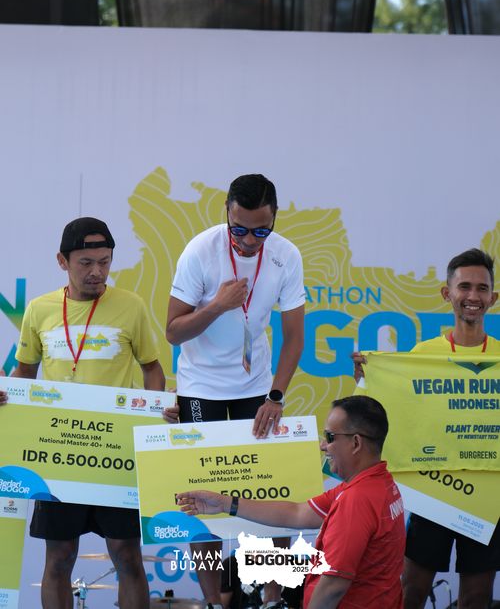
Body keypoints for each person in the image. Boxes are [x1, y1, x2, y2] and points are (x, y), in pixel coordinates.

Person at [0, 217, 169, 609]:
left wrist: (154, 417)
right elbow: (24, 372)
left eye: (105, 262)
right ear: (62, 261)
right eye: (86, 263)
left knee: (127, 555)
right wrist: (9, 397)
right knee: (59, 558)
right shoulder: (39, 310)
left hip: (116, 456)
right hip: (59, 455)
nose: (97, 272)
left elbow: (152, 369)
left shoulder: (131, 306)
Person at [166, 173, 305, 609]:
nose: (248, 241)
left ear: (274, 218)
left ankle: (271, 595)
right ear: (226, 213)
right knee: (200, 492)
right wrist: (217, 306)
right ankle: (213, 601)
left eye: (261, 231)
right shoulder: (200, 251)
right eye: (239, 229)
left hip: (255, 386)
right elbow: (173, 332)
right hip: (200, 387)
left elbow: (294, 338)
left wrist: (275, 396)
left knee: (268, 490)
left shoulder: (286, 256)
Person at [353, 248, 500, 609]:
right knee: (412, 590)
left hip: (488, 495)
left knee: (477, 597)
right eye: (464, 287)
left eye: (482, 288)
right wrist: (368, 380)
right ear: (447, 293)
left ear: (493, 298)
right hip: (436, 489)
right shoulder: (421, 355)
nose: (473, 296)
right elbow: (391, 412)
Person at [176, 395, 406, 609]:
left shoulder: (357, 499)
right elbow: (296, 513)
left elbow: (333, 585)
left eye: (329, 437)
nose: (323, 445)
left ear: (356, 443)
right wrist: (225, 504)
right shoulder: (380, 483)